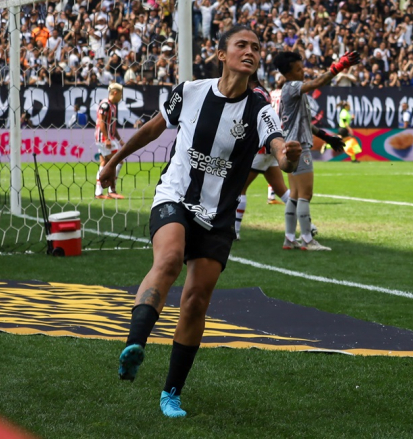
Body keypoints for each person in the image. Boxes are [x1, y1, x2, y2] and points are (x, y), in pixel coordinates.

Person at [99, 25, 302, 418]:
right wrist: (113, 160)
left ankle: (171, 393)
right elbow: (152, 128)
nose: (250, 51)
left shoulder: (260, 107)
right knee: (170, 259)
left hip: (218, 215)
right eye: (241, 45)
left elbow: (278, 148)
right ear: (222, 54)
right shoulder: (190, 91)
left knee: (195, 302)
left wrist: (288, 156)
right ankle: (134, 345)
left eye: (256, 48)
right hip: (175, 195)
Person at [273, 50, 359, 251]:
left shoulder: (292, 91)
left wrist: (326, 136)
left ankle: (289, 238)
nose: (303, 71)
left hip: (291, 145)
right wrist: (338, 67)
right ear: (289, 72)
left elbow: (304, 123)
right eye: (299, 69)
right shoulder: (293, 87)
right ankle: (307, 239)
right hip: (299, 147)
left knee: (294, 194)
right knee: (305, 194)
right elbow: (317, 83)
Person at [234, 73, 292, 240]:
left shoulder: (258, 94)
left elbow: (256, 120)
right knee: (283, 191)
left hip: (260, 147)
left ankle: (235, 231)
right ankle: (308, 225)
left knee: (240, 189)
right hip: (272, 145)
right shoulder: (265, 92)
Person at [94, 83, 125, 200]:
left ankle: (98, 192)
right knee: (118, 161)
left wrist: (120, 140)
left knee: (104, 164)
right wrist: (106, 138)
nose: (121, 97)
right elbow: (101, 122)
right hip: (103, 138)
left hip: (108, 138)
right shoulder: (105, 105)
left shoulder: (113, 106)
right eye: (121, 94)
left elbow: (113, 126)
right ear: (115, 92)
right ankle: (112, 190)